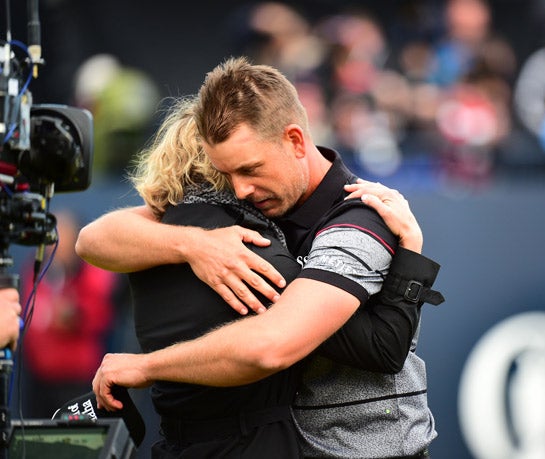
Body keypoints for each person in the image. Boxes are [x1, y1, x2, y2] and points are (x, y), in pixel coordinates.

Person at [77, 57, 443, 458]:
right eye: (227, 174)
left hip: (373, 451)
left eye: (250, 169)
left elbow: (276, 344)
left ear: (296, 141)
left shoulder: (361, 217)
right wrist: (195, 245)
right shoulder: (252, 200)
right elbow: (94, 239)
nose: (241, 189)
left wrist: (145, 367)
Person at [20, 210, 118, 418]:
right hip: (39, 381)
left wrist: (74, 315)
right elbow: (32, 314)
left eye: (64, 240)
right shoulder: (37, 271)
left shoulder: (92, 270)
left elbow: (99, 314)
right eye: (53, 239)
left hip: (78, 383)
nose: (57, 247)